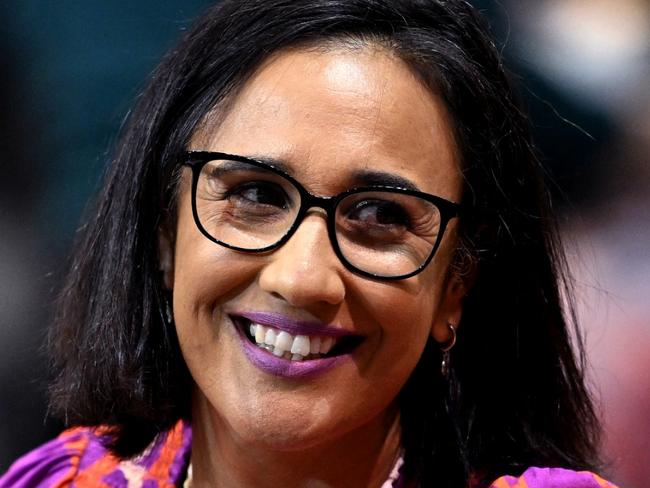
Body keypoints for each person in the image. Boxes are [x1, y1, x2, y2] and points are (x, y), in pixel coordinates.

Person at [0, 1, 620, 487]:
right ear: (166, 232)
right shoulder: (64, 479)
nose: (301, 279)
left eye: (379, 214)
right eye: (255, 195)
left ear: (456, 284)